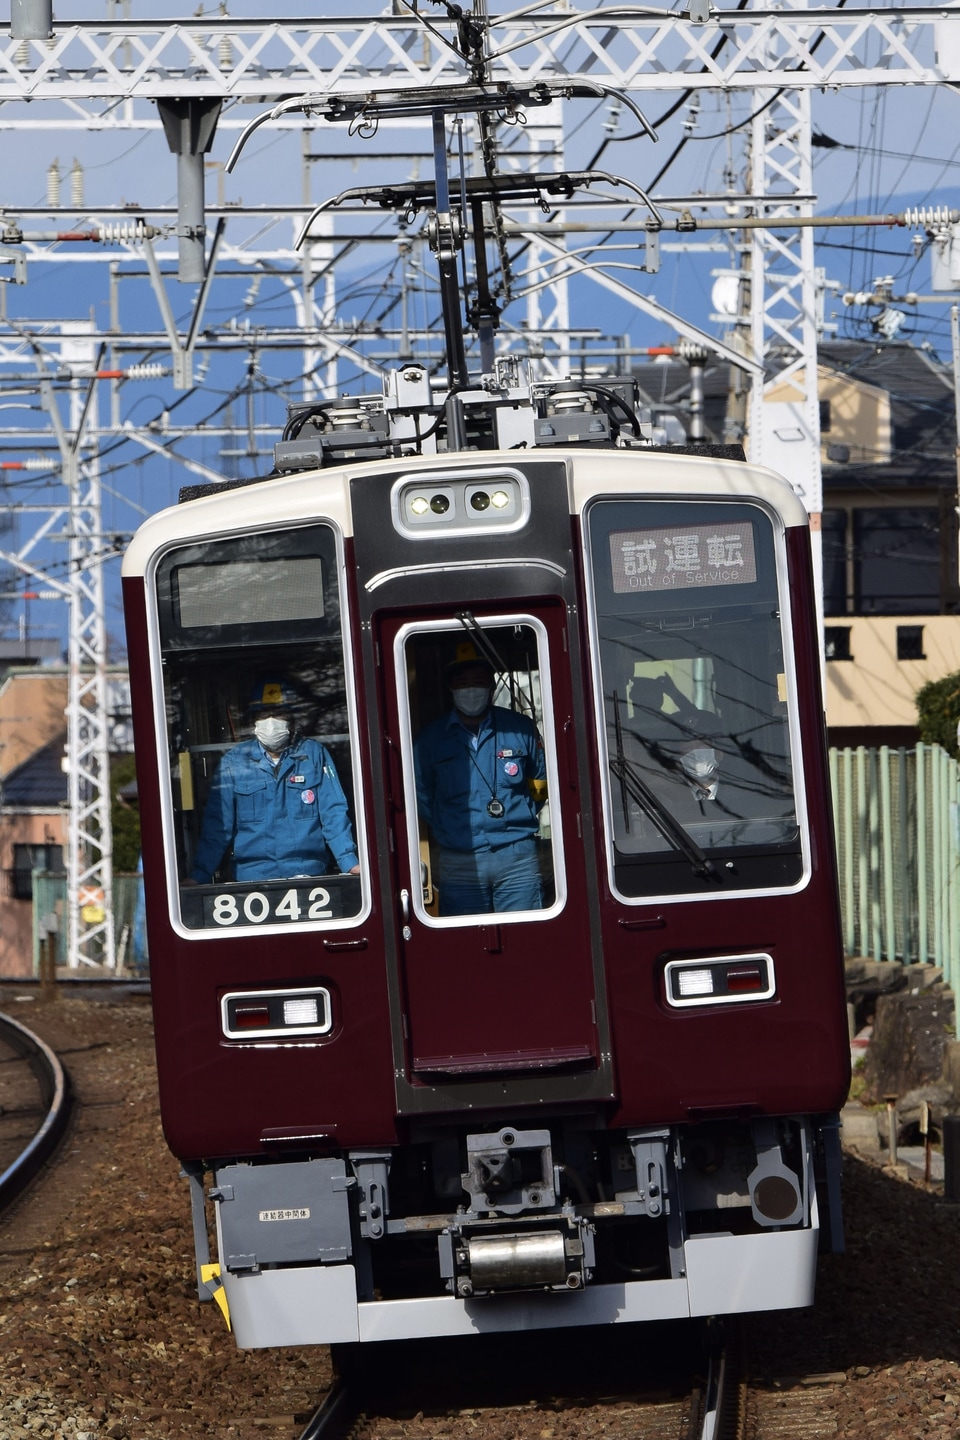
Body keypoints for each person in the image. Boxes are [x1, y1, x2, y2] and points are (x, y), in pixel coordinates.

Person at [413, 649, 547, 917]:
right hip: (459, 859)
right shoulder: (430, 739)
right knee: (467, 948)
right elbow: (422, 794)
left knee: (525, 940)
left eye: (478, 681)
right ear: (450, 688)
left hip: (517, 857)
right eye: (462, 684)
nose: (471, 690)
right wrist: (448, 828)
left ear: (491, 685)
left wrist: (521, 816)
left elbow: (540, 781)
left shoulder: (520, 728)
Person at [190, 678, 360, 884]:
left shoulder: (314, 755)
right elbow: (218, 825)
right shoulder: (234, 762)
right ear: (253, 720)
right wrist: (201, 874)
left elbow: (333, 811)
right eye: (263, 714)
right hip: (250, 878)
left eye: (278, 714)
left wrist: (348, 861)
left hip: (308, 873)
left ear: (291, 718)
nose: (270, 721)